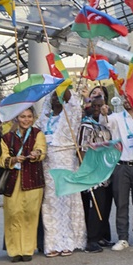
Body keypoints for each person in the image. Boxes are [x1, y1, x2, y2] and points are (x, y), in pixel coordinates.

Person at [41, 90, 86, 256]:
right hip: (48, 164)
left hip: (66, 161)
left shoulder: (70, 115)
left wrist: (62, 83)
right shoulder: (44, 118)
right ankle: (52, 243)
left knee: (66, 202)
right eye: (53, 95)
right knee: (50, 203)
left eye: (59, 95)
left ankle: (68, 241)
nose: (56, 97)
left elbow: (74, 103)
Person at [0, 107, 45, 262]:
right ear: (16, 118)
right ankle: (14, 251)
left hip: (33, 179)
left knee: (30, 214)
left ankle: (27, 249)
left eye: (29, 116)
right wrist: (12, 160)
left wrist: (36, 154)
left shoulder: (38, 134)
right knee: (13, 214)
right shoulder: (6, 137)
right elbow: (1, 158)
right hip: (12, 181)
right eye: (23, 116)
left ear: (33, 118)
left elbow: (42, 149)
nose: (26, 120)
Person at [77, 90, 115, 253]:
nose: (98, 108)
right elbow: (82, 149)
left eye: (101, 105)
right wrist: (87, 171)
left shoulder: (103, 124)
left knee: (104, 205)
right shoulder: (86, 125)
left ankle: (100, 236)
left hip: (105, 171)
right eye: (95, 105)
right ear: (89, 107)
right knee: (95, 205)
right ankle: (91, 239)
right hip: (93, 172)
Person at [107, 91, 133, 251]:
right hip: (121, 165)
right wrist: (103, 112)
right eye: (125, 97)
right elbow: (105, 122)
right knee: (121, 203)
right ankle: (122, 238)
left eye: (131, 96)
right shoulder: (116, 117)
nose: (127, 100)